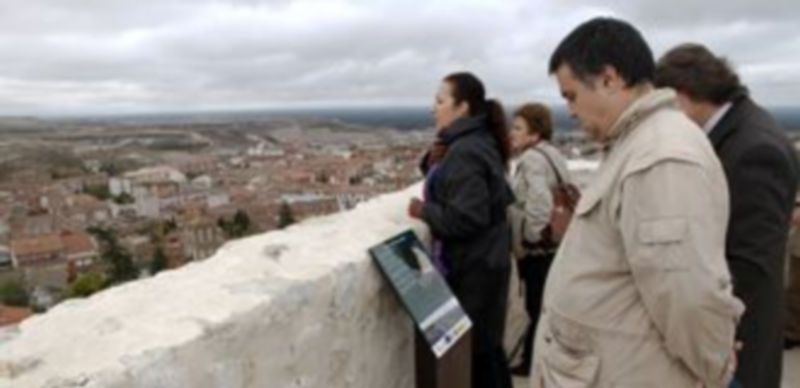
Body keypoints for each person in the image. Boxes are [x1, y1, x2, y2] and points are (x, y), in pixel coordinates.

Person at [530, 18, 743, 387]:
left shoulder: (662, 156)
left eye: (572, 95)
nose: (571, 110)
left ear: (610, 79)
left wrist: (716, 367)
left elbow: (687, 295)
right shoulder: (639, 143)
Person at [655, 44, 799, 387]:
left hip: (735, 343)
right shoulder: (739, 131)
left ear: (680, 97)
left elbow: (748, 264)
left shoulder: (753, 149)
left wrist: (696, 328)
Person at [408, 71, 515, 388]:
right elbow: (455, 184)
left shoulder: (466, 150)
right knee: (488, 354)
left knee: (480, 360)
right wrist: (433, 161)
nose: (433, 108)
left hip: (474, 271)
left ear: (463, 107)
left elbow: (468, 217)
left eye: (440, 101)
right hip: (487, 264)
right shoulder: (475, 142)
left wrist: (422, 210)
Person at [506, 103, 571, 376]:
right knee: (544, 304)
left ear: (535, 133)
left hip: (539, 249)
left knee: (536, 305)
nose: (512, 133)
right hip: (557, 242)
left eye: (519, 128)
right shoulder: (552, 154)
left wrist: (531, 239)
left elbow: (540, 202)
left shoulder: (532, 158)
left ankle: (533, 363)